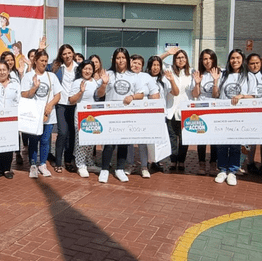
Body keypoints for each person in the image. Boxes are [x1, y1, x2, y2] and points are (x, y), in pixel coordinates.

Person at [95, 48, 146, 183]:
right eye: (118, 58)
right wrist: (104, 83)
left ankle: (120, 169)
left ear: (127, 60)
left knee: (124, 142)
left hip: (126, 114)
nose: (121, 60)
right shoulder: (108, 74)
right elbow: (99, 94)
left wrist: (132, 96)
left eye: (123, 57)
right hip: (110, 114)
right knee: (109, 143)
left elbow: (141, 94)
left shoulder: (134, 76)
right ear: (114, 59)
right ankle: (105, 169)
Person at [211, 49, 256, 186]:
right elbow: (215, 95)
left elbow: (253, 96)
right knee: (222, 144)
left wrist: (241, 96)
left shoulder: (249, 76)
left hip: (240, 115)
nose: (235, 61)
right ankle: (222, 169)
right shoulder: (223, 75)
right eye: (232, 58)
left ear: (242, 59)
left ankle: (232, 171)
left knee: (236, 144)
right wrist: (215, 81)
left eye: (237, 58)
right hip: (224, 114)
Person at [21, 49, 62, 178]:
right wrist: (34, 88)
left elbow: (58, 95)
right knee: (33, 140)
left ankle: (42, 164)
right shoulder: (28, 76)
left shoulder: (51, 76)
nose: (44, 63)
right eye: (41, 61)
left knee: (45, 140)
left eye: (45, 61)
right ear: (35, 61)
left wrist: (49, 106)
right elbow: (23, 94)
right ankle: (33, 164)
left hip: (48, 114)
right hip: (34, 115)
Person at [159, 47, 194, 173]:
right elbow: (157, 60)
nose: (180, 60)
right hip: (171, 109)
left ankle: (182, 161)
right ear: (175, 59)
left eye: (183, 57)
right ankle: (173, 161)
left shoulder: (191, 72)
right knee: (172, 137)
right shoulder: (169, 70)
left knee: (184, 138)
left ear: (186, 59)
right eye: (178, 57)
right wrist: (168, 53)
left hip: (185, 110)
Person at [144, 55, 179, 178]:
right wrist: (168, 52)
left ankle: (156, 162)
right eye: (153, 65)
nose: (156, 67)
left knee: (158, 140)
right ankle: (147, 162)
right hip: (147, 115)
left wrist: (172, 80)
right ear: (149, 66)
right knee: (148, 140)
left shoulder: (163, 81)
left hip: (161, 114)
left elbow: (176, 92)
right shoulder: (144, 79)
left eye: (158, 65)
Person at [0, 60, 20, 179]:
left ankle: (7, 169)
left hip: (11, 119)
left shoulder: (15, 84)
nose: (2, 72)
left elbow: (18, 101)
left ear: (8, 71)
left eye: (4, 69)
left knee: (9, 145)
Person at [68, 60, 99, 178]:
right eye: (85, 68)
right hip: (81, 115)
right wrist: (81, 92)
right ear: (81, 69)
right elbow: (71, 100)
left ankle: (89, 162)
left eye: (90, 69)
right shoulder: (77, 82)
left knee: (91, 141)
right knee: (81, 141)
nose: (87, 71)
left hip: (93, 115)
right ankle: (80, 164)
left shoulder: (95, 82)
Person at [192, 49, 219, 175]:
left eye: (209, 58)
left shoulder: (220, 73)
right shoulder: (199, 74)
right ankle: (201, 164)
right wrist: (197, 84)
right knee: (201, 138)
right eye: (204, 59)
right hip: (201, 110)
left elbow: (216, 95)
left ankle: (213, 164)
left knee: (214, 139)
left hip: (214, 110)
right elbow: (195, 94)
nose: (207, 61)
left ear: (214, 59)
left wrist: (215, 82)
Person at [52, 44, 78, 173]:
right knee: (62, 133)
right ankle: (58, 161)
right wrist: (40, 50)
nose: (67, 56)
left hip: (74, 105)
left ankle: (68, 160)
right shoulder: (57, 67)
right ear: (61, 56)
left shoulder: (79, 68)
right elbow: (40, 67)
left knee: (72, 134)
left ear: (73, 53)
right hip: (61, 104)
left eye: (69, 53)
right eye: (64, 54)